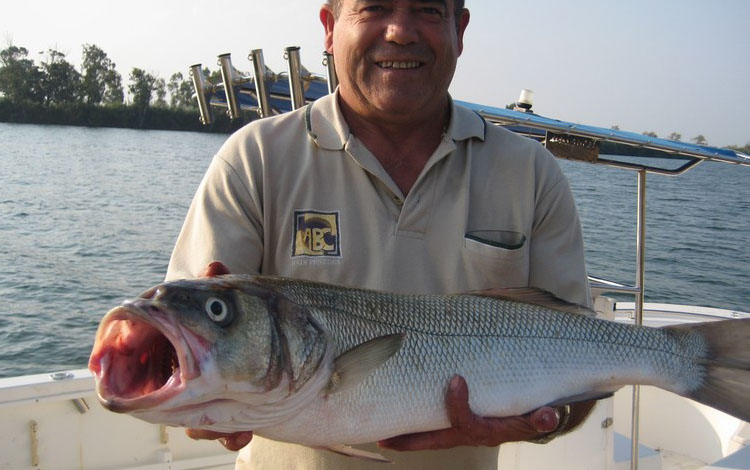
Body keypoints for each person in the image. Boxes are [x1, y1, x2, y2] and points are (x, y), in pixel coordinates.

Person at [165, 0, 595, 468]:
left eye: (428, 10)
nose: (400, 32)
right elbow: (185, 351)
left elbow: (584, 369)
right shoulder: (253, 160)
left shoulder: (531, 173)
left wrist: (548, 421)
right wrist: (195, 397)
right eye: (374, 7)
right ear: (329, 28)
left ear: (460, 30)